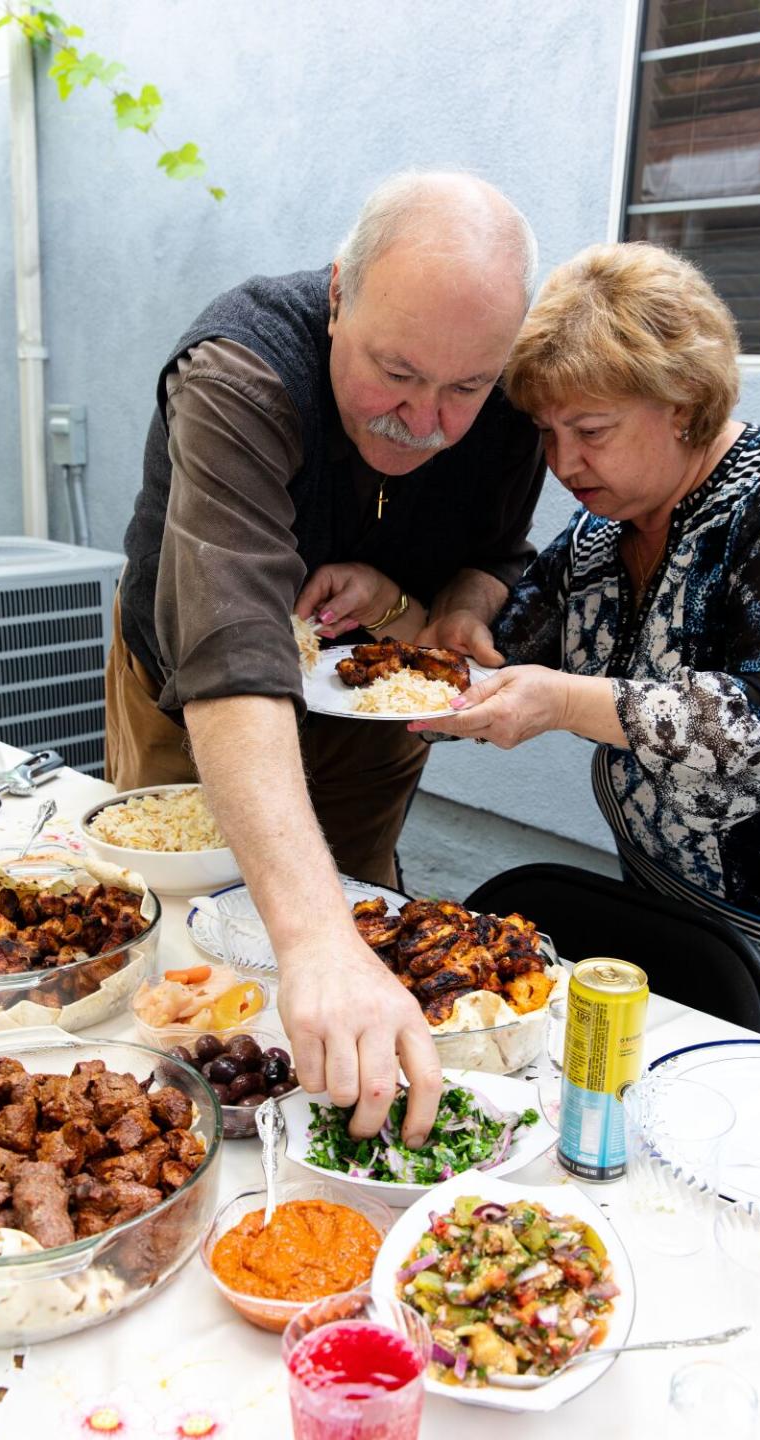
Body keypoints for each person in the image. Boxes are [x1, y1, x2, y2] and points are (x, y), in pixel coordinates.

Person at [106, 171, 546, 1142]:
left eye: (464, 389)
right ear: (339, 294)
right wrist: (315, 939)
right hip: (196, 698)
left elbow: (498, 554)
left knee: (359, 906)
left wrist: (462, 609)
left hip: (366, 705)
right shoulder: (242, 366)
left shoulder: (513, 384)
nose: (424, 419)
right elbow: (229, 654)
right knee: (185, 919)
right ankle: (179, 1106)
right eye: (395, 372)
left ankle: (325, 1111)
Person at [412, 241, 760, 1054]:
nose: (563, 463)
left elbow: (759, 734)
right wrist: (403, 622)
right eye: (546, 433)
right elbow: (498, 649)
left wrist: (560, 701)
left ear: (685, 403)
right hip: (662, 903)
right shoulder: (605, 530)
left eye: (590, 429)